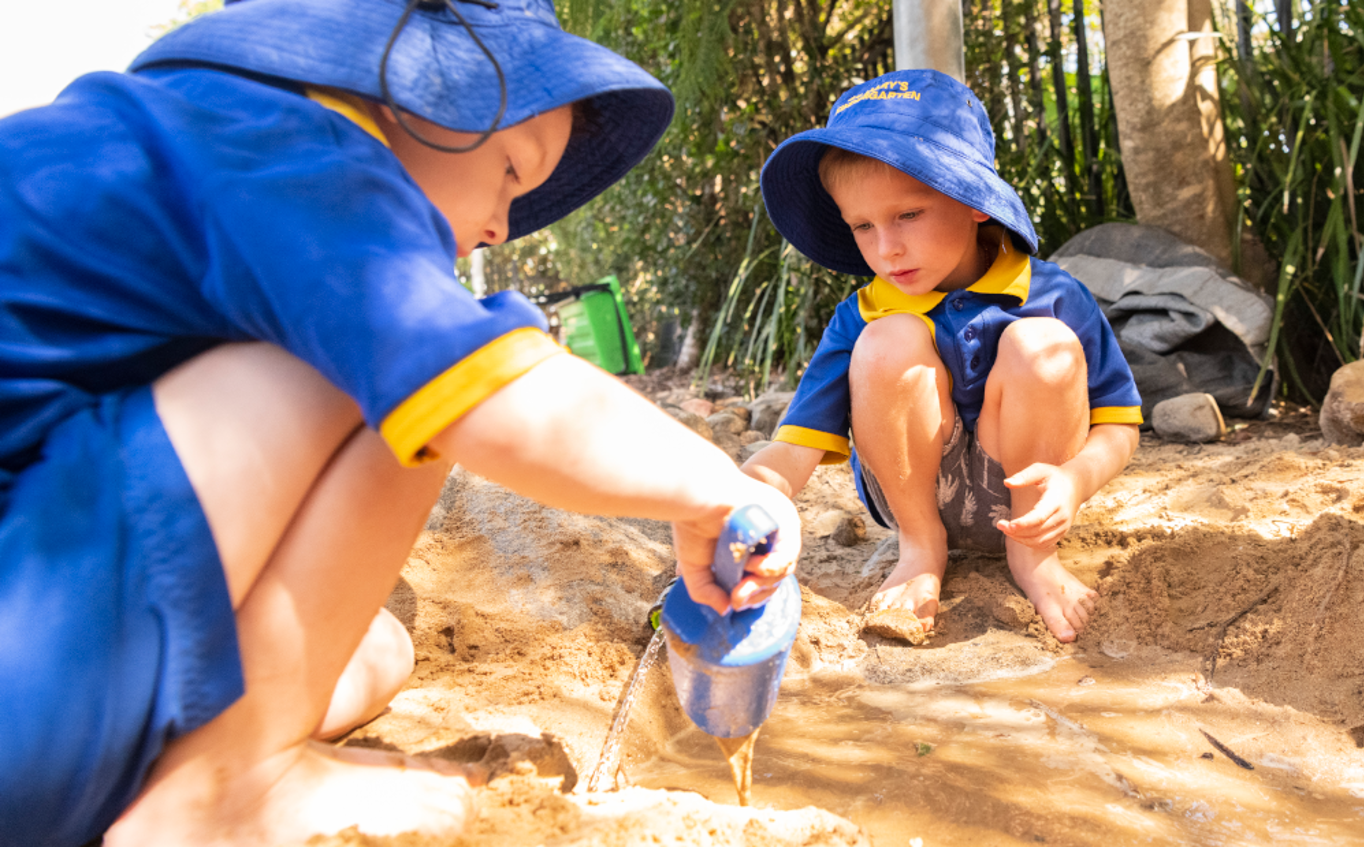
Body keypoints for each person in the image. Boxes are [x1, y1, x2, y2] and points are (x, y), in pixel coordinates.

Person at [0, 1, 801, 845]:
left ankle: (215, 757)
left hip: (46, 664)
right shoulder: (298, 152)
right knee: (394, 372)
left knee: (379, 649)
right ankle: (234, 785)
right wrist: (710, 486)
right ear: (416, 82)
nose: (500, 224)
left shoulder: (190, 133)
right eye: (510, 173)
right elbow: (501, 400)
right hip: (31, 689)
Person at [741, 70, 1142, 645]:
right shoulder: (863, 312)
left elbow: (1120, 425)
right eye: (862, 225)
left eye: (908, 215)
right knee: (889, 340)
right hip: (913, 494)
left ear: (974, 201)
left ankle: (1032, 558)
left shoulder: (1051, 294)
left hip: (1027, 496)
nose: (887, 248)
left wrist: (1075, 480)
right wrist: (752, 488)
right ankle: (922, 548)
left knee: (1043, 345)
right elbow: (796, 443)